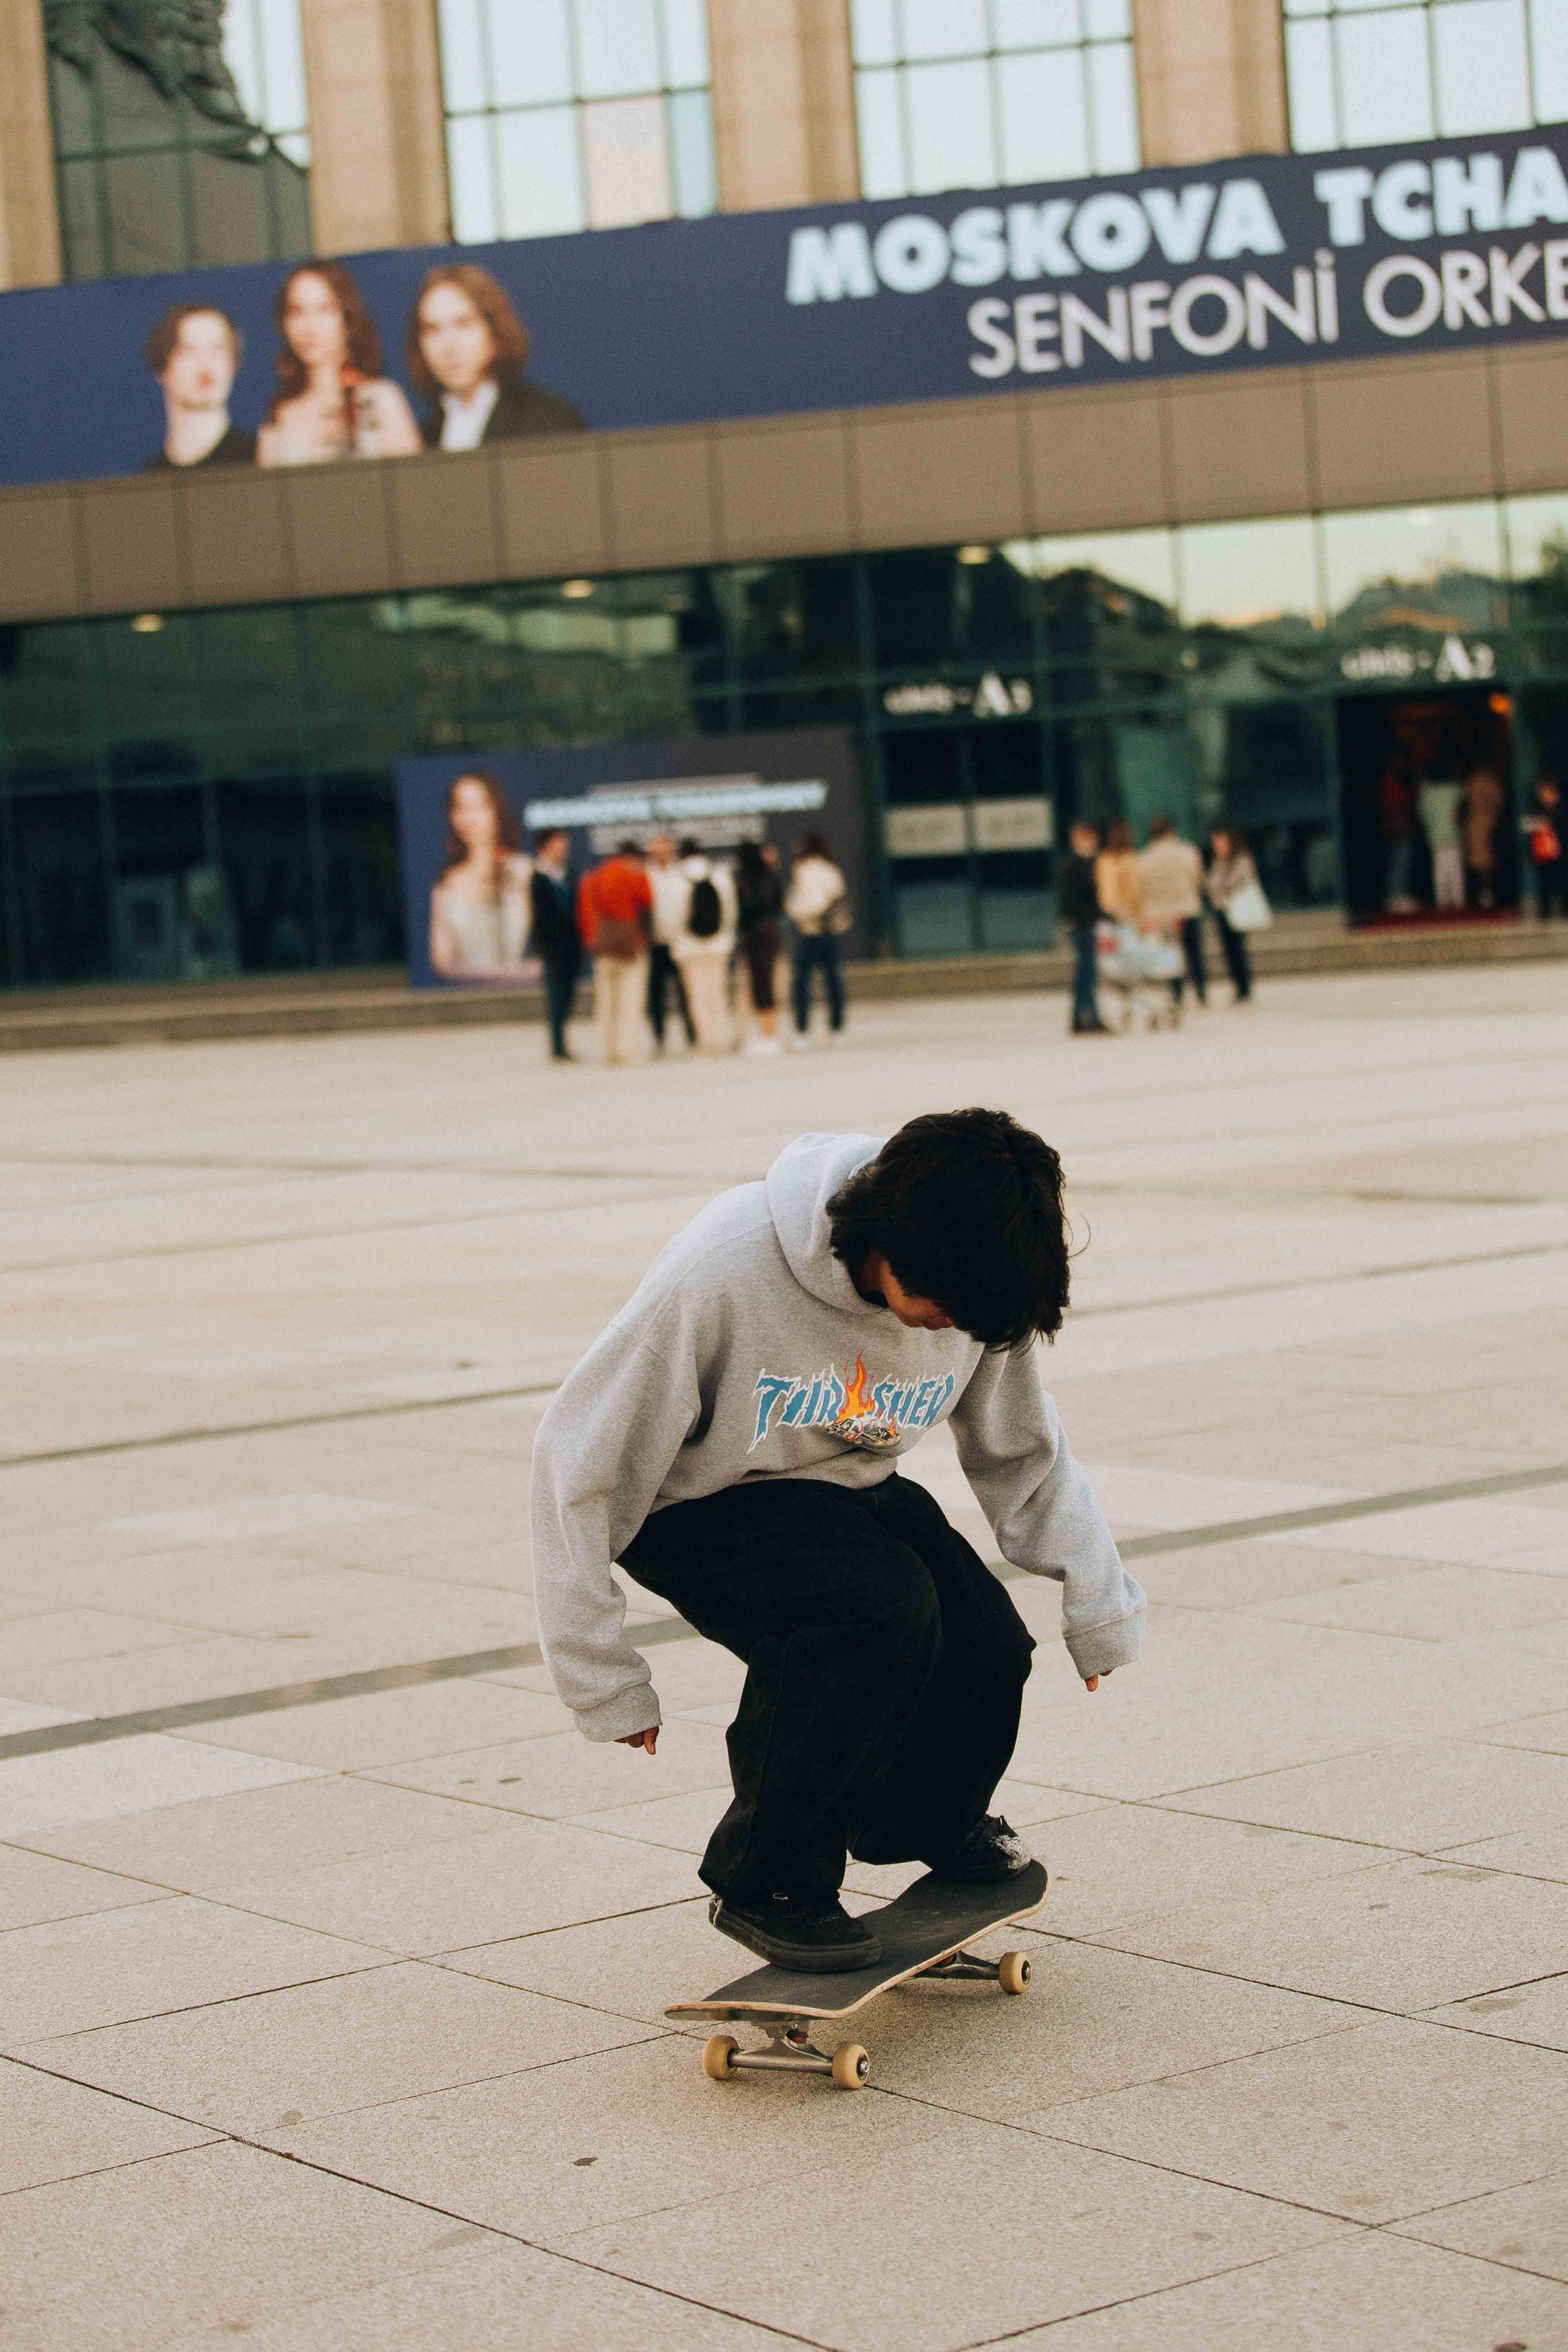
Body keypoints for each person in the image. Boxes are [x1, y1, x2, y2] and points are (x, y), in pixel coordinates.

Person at [530, 1109, 1144, 1970]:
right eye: (939, 1306)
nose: (947, 1328)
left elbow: (1023, 1449)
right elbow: (577, 1465)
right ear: (886, 1240)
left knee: (987, 1642)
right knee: (870, 1616)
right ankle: (768, 1880)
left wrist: (1098, 1601)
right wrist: (601, 1677)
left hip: (844, 1484)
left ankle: (919, 1819)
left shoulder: (981, 1290)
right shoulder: (722, 1269)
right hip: (695, 1503)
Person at [257, 263, 422, 468]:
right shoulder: (279, 417)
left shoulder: (382, 399)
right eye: (297, 311)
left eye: (325, 309)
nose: (309, 326)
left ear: (347, 318)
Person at [407, 263, 585, 450]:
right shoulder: (427, 436)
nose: (448, 345)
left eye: (464, 324)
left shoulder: (549, 421)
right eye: (432, 329)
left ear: (495, 331)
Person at [428, 771, 532, 979]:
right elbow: (442, 961)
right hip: (469, 996)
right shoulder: (446, 885)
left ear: (497, 810)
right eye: (461, 808)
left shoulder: (523, 871)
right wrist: (488, 973)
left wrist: (525, 971)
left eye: (480, 806)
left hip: (525, 993)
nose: (470, 818)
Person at [143, 304, 254, 470]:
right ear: (162, 369)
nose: (205, 366)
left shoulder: (262, 459)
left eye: (217, 350)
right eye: (188, 351)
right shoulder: (151, 478)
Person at [577, 839, 652, 1066]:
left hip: (604, 948)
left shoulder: (594, 877)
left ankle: (607, 1050)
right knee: (630, 1000)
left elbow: (586, 913)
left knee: (605, 1002)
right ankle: (626, 1050)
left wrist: (592, 941)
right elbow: (648, 903)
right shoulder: (635, 877)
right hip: (631, 948)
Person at [671, 837, 738, 1054]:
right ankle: (721, 1038)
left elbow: (675, 917)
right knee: (717, 993)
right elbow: (730, 913)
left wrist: (678, 941)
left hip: (690, 947)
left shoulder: (678, 878)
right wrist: (726, 937)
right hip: (718, 945)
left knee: (698, 996)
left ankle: (706, 1041)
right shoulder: (720, 875)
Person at [785, 832, 850, 1046]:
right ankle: (837, 1028)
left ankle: (802, 1030)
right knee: (833, 980)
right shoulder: (831, 869)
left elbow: (806, 902)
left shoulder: (804, 869)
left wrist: (796, 911)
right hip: (831, 932)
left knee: (802, 982)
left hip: (811, 932)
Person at [1136, 816, 1206, 1008]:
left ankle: (1176, 993)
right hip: (1187, 908)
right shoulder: (1189, 852)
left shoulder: (1144, 859)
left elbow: (1141, 888)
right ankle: (1201, 991)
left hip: (1160, 914)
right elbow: (1198, 879)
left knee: (1170, 954)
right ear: (1173, 831)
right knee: (1194, 952)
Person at [529, 828, 582, 1060]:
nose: (563, 848)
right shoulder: (539, 876)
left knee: (569, 994)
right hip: (553, 948)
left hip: (572, 946)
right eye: (558, 844)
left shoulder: (569, 874)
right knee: (556, 995)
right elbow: (539, 916)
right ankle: (558, 1044)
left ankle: (563, 1040)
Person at [643, 836, 698, 1054]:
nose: (661, 856)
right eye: (656, 852)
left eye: (664, 851)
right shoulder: (646, 876)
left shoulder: (682, 875)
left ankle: (693, 1036)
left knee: (687, 993)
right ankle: (659, 1038)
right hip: (655, 944)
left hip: (680, 942)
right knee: (655, 996)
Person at [734, 839, 786, 1057]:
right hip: (771, 933)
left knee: (761, 985)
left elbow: (745, 907)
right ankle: (768, 1032)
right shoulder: (771, 875)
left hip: (754, 935)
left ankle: (768, 1034)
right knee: (765, 983)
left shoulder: (744, 878)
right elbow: (780, 904)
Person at [1058, 820, 1109, 1035]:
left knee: (1085, 972)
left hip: (1087, 924)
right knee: (1086, 973)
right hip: (1082, 925)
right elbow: (1074, 899)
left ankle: (1082, 1016)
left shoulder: (1091, 863)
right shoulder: (1074, 865)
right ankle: (1088, 1016)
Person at [1206, 826, 1259, 1003]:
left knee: (1238, 948)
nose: (1217, 846)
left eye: (1220, 842)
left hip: (1236, 908)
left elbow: (1236, 881)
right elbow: (1212, 883)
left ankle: (1244, 986)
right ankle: (1237, 985)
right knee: (1228, 949)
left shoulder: (1241, 859)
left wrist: (1221, 886)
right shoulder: (1219, 861)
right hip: (1222, 909)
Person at [1417, 771, 1466, 911]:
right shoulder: (1455, 789)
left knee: (1440, 871)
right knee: (1455, 871)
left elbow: (1423, 815)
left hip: (1437, 837)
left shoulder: (1428, 793)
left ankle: (1443, 903)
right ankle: (1458, 903)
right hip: (1453, 836)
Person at [1466, 758, 1506, 910]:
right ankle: (1485, 895)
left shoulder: (1473, 781)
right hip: (1488, 824)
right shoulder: (1490, 781)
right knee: (1486, 863)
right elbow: (1499, 802)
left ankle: (1483, 895)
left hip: (1478, 824)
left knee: (1482, 863)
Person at [1525, 778, 1566, 921]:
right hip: (1543, 853)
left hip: (1560, 853)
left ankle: (1564, 911)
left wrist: (1550, 824)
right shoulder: (1538, 809)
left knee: (1561, 882)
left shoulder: (1562, 809)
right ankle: (1545, 913)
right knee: (1544, 882)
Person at [1094, 821, 1141, 925]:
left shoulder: (1104, 860)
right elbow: (1135, 889)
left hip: (1115, 915)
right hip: (1127, 915)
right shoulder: (1131, 859)